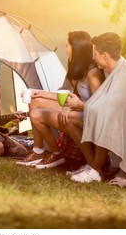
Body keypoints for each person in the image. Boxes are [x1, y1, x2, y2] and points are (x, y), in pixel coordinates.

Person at [65, 32, 126, 186]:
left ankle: (95, 170)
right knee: (71, 119)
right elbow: (107, 105)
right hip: (122, 123)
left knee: (105, 118)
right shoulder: (114, 70)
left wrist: (80, 105)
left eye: (95, 54)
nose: (93, 58)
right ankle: (93, 168)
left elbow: (108, 110)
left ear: (104, 56)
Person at [16, 31, 105, 169]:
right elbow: (64, 95)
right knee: (35, 100)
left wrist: (71, 107)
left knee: (36, 114)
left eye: (67, 46)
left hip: (86, 115)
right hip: (74, 109)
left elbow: (100, 107)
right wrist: (38, 93)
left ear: (76, 48)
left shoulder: (92, 74)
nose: (66, 49)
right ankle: (39, 150)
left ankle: (57, 153)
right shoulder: (75, 68)